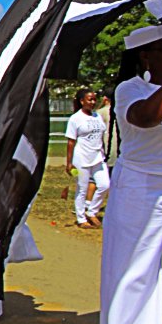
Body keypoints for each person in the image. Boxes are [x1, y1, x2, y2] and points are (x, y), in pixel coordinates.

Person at [100, 24, 162, 324]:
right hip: (139, 187)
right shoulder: (130, 89)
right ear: (146, 55)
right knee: (134, 272)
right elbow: (147, 118)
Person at [65, 87, 109, 229]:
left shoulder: (97, 116)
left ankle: (91, 211)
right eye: (89, 99)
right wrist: (69, 163)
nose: (93, 102)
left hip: (98, 156)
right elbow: (71, 142)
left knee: (104, 185)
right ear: (82, 101)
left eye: (94, 99)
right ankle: (81, 218)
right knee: (82, 189)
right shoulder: (75, 118)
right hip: (81, 157)